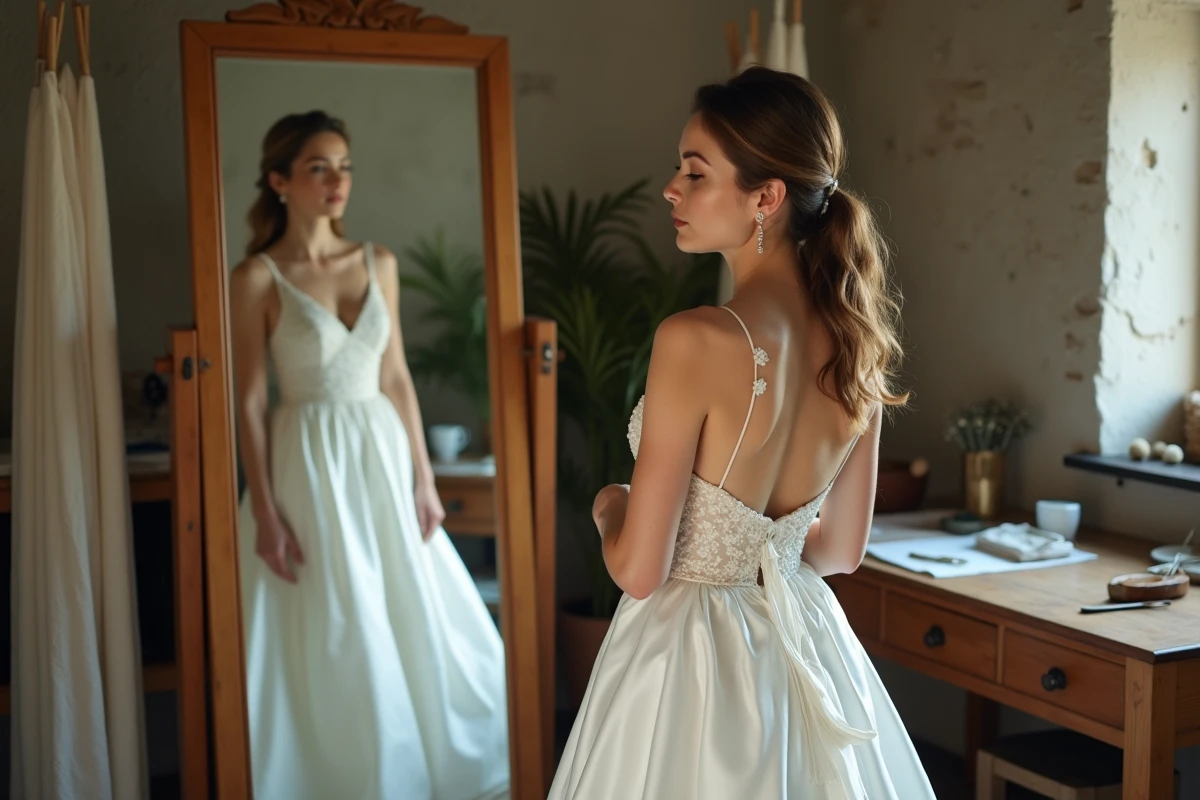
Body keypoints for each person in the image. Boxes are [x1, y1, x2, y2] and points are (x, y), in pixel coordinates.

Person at [547, 69, 936, 799]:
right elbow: (841, 552)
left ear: (767, 197)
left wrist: (610, 504)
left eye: (695, 173)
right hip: (803, 643)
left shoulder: (693, 339)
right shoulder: (858, 343)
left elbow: (639, 570)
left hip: (686, 661)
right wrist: (768, 547)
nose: (672, 190)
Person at [229, 110, 509, 800]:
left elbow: (397, 377)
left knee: (413, 608)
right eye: (319, 167)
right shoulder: (258, 277)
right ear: (279, 181)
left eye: (345, 166)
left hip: (381, 453)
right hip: (307, 462)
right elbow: (250, 401)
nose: (338, 181)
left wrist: (424, 479)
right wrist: (264, 511)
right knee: (336, 617)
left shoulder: (378, 262)